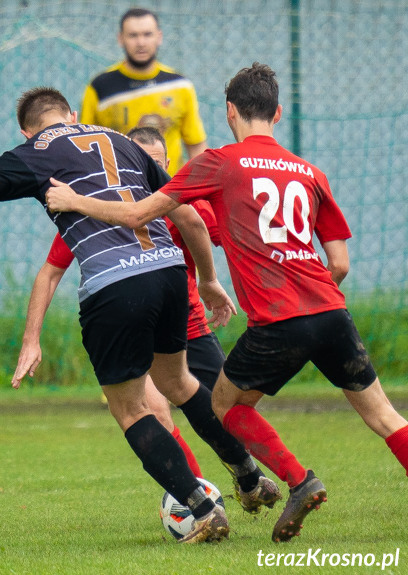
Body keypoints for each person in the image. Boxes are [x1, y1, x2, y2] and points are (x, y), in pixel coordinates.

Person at [0, 87, 279, 543]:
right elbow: (186, 216)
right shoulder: (122, 141)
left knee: (129, 409)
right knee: (181, 384)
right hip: (168, 273)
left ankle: (202, 508)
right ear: (71, 114)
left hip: (114, 286)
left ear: (26, 130)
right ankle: (248, 477)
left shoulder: (30, 153)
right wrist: (207, 279)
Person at [45, 63, 408, 543]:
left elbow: (137, 211)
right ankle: (283, 482)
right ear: (278, 113)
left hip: (280, 320)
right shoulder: (310, 172)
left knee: (224, 404)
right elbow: (338, 261)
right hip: (331, 311)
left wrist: (76, 200)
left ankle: (299, 480)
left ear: (230, 111)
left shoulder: (220, 162)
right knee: (384, 415)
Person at [12, 127, 226, 483]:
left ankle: (267, 478)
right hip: (138, 317)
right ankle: (197, 495)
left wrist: (213, 282)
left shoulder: (179, 202)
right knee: (153, 408)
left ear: (166, 164)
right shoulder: (92, 217)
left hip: (188, 319)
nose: (145, 171)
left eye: (154, 164)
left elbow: (211, 230)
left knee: (227, 406)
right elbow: (48, 273)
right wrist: (31, 339)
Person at [81, 8, 207, 176]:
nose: (141, 42)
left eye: (147, 34)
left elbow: (196, 145)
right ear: (121, 39)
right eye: (133, 35)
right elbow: (85, 147)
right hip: (121, 191)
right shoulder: (100, 87)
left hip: (170, 191)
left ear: (159, 37)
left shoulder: (180, 85)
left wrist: (200, 190)